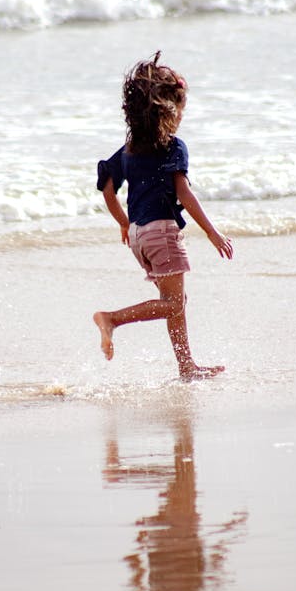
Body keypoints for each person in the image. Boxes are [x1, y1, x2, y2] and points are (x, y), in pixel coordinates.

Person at [93, 51, 233, 381]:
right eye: (182, 110)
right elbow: (183, 192)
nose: (182, 117)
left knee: (174, 301)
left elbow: (107, 188)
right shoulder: (174, 146)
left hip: (140, 237)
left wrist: (124, 224)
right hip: (161, 233)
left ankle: (187, 367)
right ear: (170, 110)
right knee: (173, 304)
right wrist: (213, 234)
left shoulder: (129, 149)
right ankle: (111, 319)